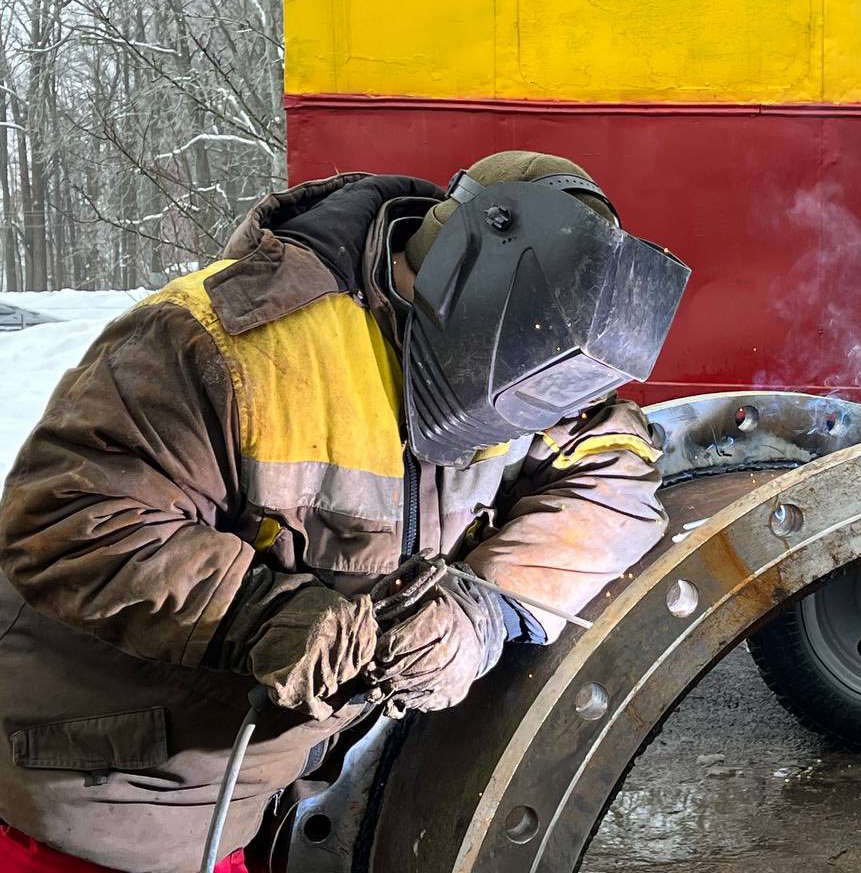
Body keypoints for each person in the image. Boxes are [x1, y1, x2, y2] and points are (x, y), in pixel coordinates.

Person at [0, 151, 690, 873]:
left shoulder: (538, 360)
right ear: (463, 276)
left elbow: (615, 474)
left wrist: (484, 608)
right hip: (108, 789)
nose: (521, 414)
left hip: (271, 787)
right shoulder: (227, 341)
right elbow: (67, 521)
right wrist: (257, 614)